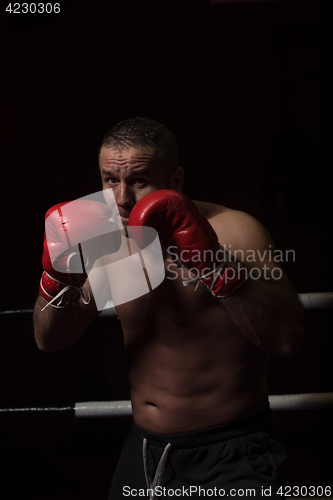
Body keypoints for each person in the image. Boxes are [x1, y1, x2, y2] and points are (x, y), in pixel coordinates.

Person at [33, 117, 304, 499]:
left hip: (231, 452)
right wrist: (58, 277)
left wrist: (215, 265)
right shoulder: (103, 242)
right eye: (110, 180)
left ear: (175, 180)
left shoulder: (235, 231)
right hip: (144, 451)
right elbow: (50, 339)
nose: (122, 198)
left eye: (139, 180)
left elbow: (287, 337)